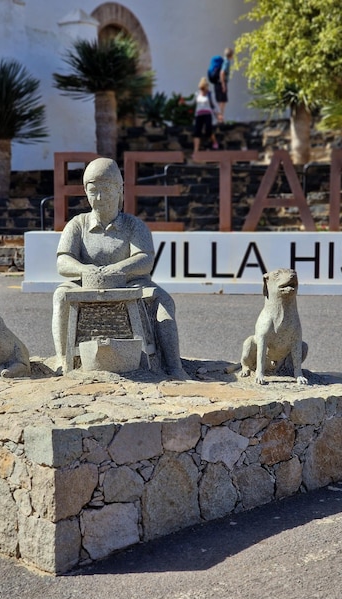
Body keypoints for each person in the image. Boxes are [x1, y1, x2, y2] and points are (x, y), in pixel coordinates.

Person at [51, 157, 187, 380]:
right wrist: (84, 270)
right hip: (85, 282)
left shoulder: (133, 225)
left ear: (119, 190)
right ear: (85, 192)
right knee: (60, 296)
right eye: (93, 191)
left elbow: (144, 260)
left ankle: (173, 365)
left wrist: (119, 269)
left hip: (132, 282)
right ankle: (61, 359)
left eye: (106, 190)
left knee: (164, 302)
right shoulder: (78, 224)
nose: (100, 198)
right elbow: (63, 261)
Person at [192, 76, 222, 159]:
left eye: (203, 89)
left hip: (207, 114)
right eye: (201, 89)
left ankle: (214, 142)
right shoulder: (197, 94)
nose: (202, 90)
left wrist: (219, 113)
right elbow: (193, 103)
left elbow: (214, 104)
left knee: (208, 129)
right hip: (199, 115)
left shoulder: (210, 94)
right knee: (197, 132)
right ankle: (196, 151)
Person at [214, 47, 234, 119]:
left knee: (220, 102)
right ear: (231, 55)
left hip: (217, 83)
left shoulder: (222, 61)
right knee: (222, 101)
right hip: (221, 83)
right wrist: (223, 85)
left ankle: (219, 119)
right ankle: (220, 119)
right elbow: (222, 73)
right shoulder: (226, 62)